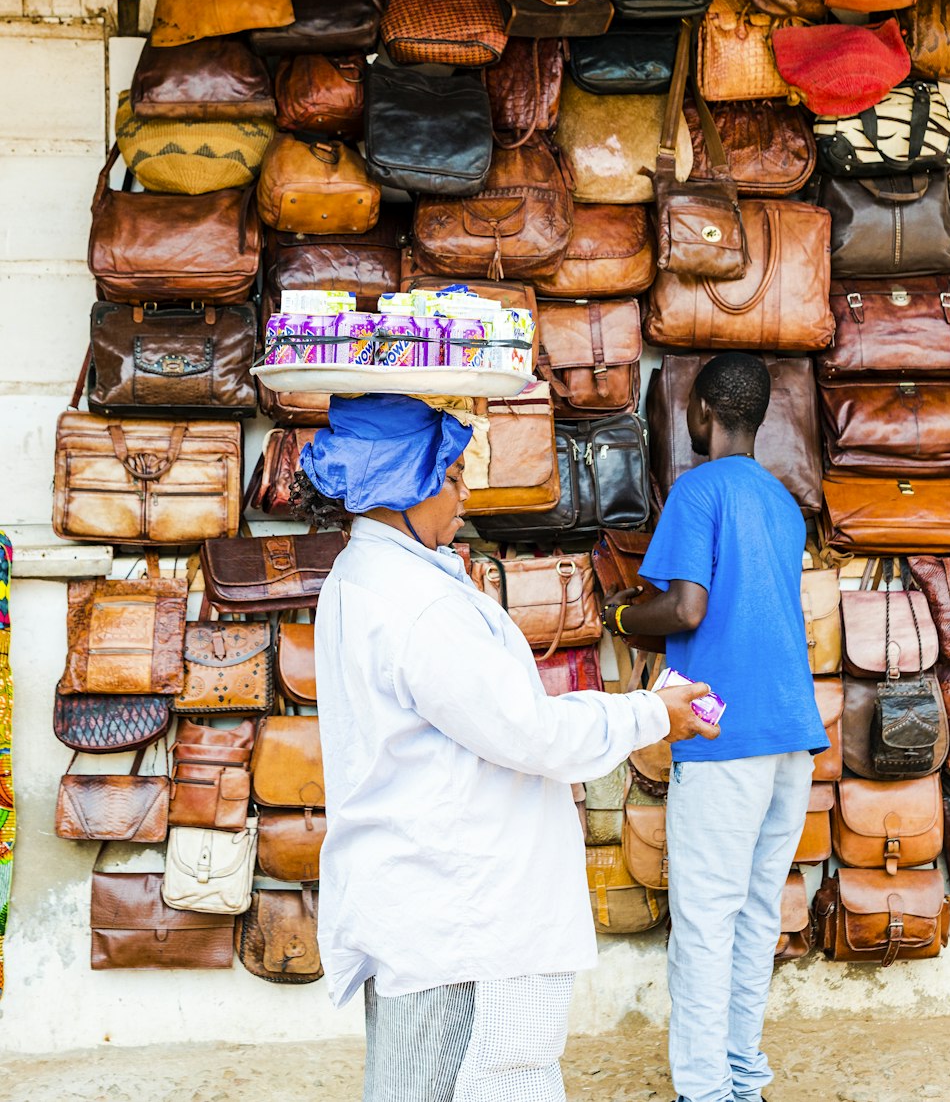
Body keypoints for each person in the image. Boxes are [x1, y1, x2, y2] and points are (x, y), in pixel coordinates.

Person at [298, 393, 721, 1102]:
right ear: (410, 481)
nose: (466, 493)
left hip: (435, 905)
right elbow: (529, 734)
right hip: (454, 921)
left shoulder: (373, 576)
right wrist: (650, 716)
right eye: (454, 473)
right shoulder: (416, 605)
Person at [601, 353, 827, 1102]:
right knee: (757, 916)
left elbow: (689, 610)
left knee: (704, 921)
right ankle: (742, 1078)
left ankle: (703, 1092)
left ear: (699, 412)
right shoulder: (785, 502)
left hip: (722, 733)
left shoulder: (698, 490)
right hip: (791, 731)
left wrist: (624, 615)